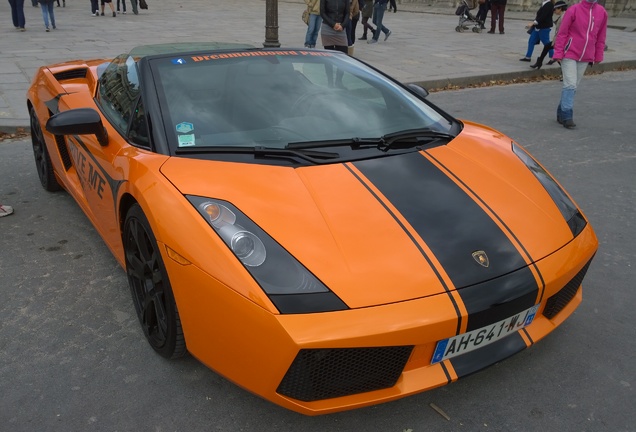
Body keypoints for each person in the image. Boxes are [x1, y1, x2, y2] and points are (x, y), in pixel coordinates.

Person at [553, 0, 607, 128]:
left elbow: (601, 36)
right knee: (570, 84)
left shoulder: (602, 12)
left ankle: (561, 111)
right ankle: (567, 115)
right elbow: (562, 33)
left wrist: (598, 54)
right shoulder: (574, 9)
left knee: (572, 86)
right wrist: (558, 52)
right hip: (569, 52)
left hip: (586, 55)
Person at [530, 1, 567, 69]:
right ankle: (539, 62)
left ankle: (564, 72)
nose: (554, 11)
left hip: (561, 40)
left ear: (560, 8)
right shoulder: (563, 16)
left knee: (558, 56)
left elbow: (563, 31)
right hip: (558, 38)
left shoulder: (564, 17)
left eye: (555, 9)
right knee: (547, 47)